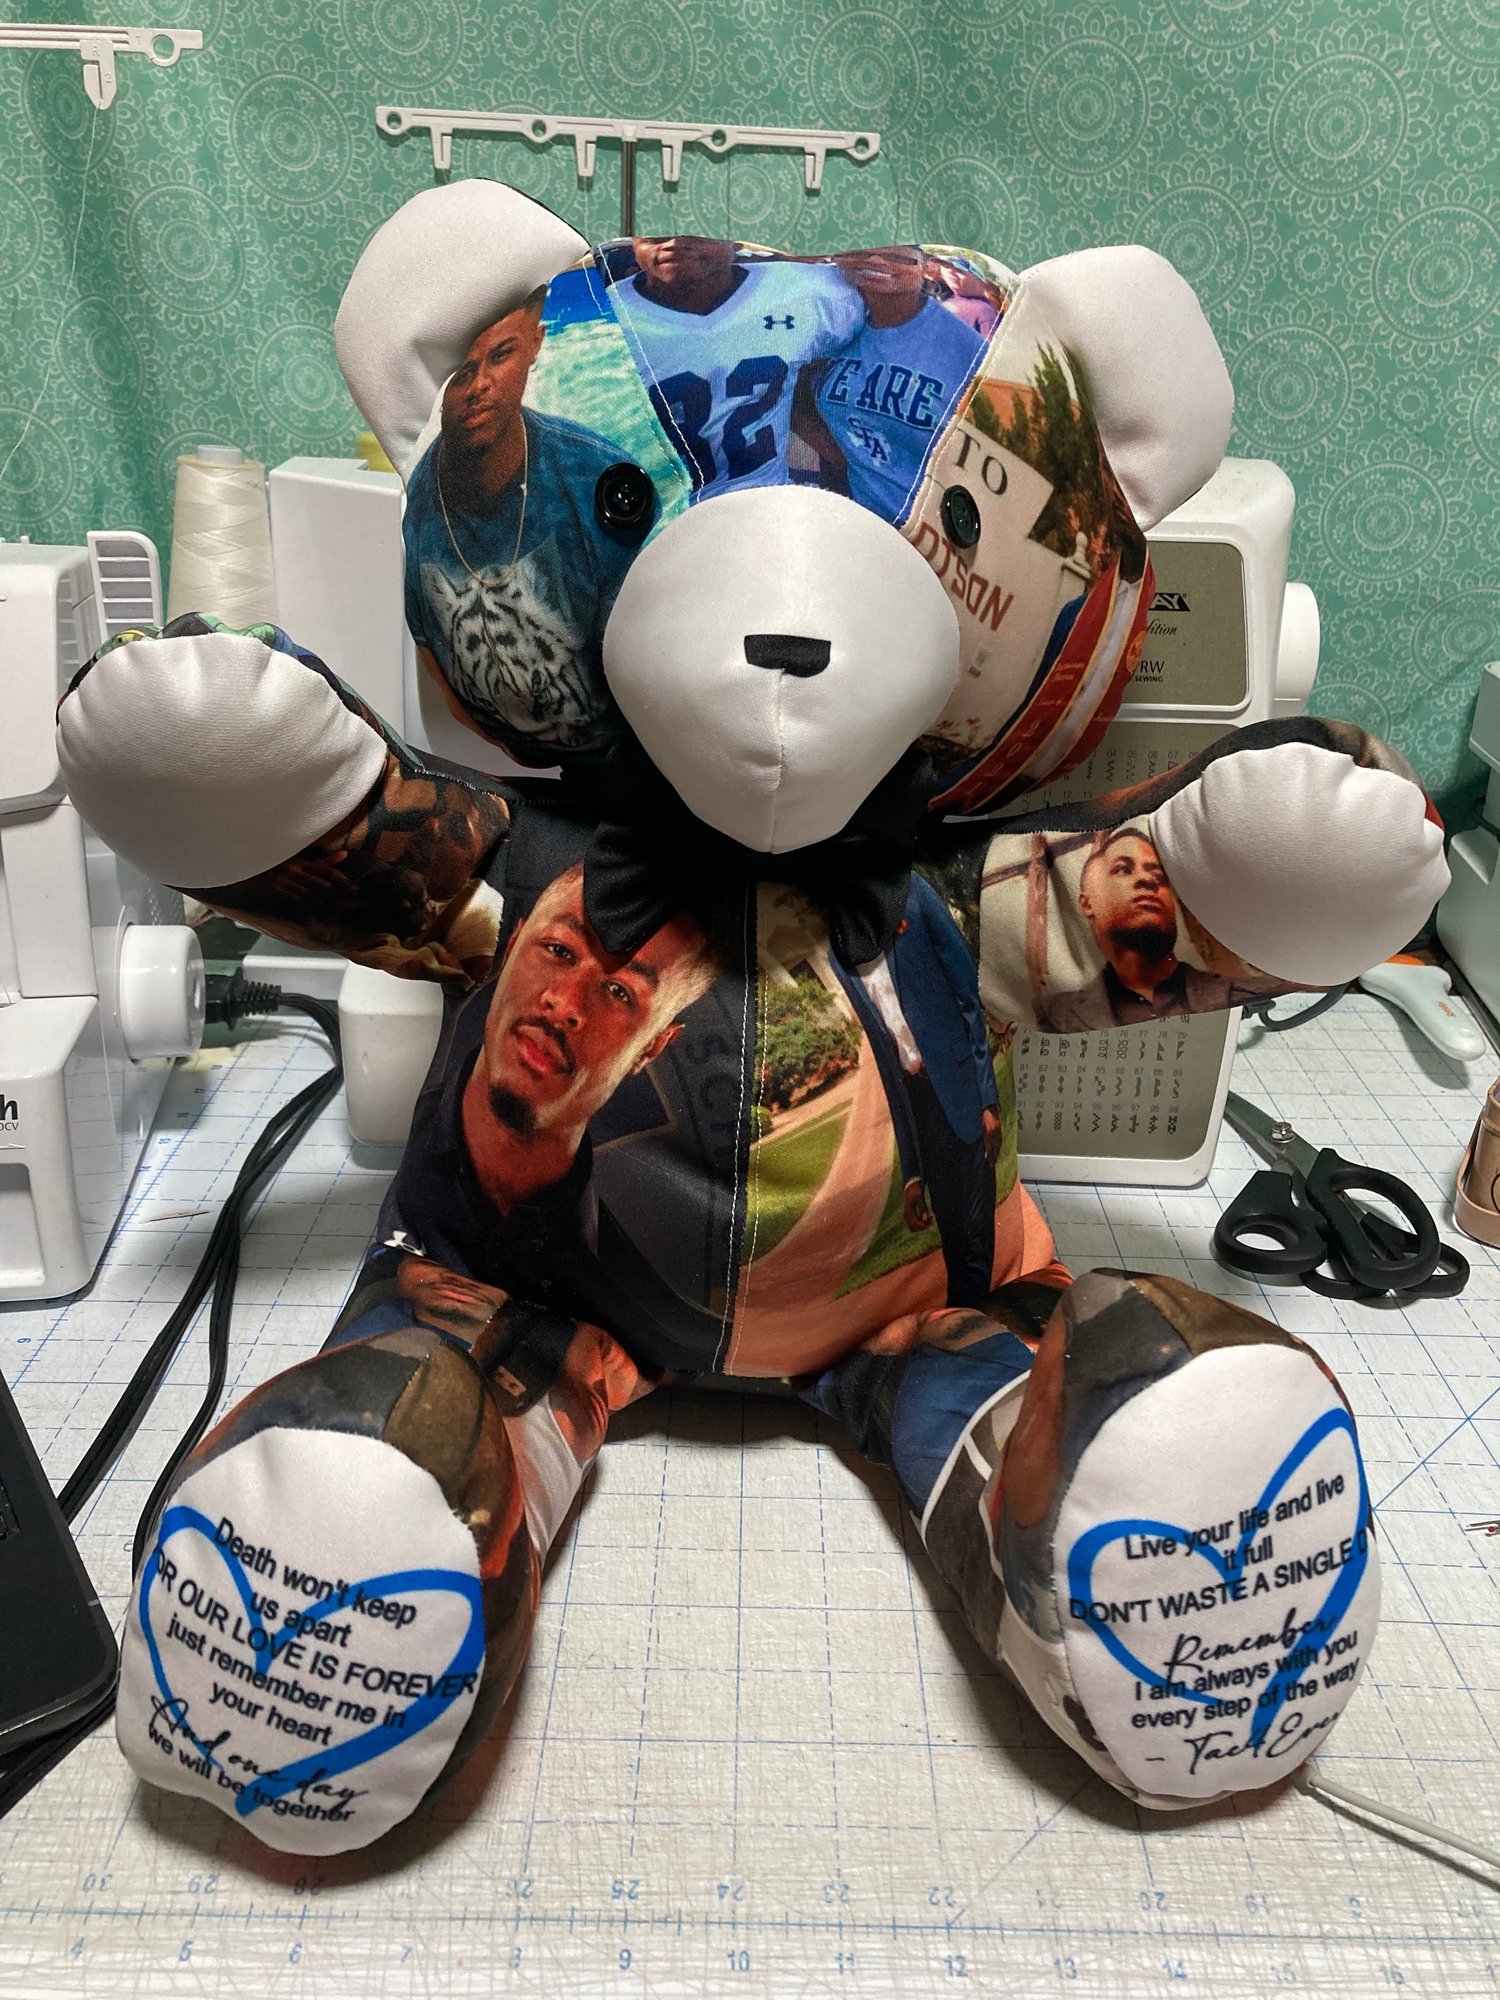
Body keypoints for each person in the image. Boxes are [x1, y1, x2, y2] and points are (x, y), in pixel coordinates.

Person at [370, 863, 722, 1336]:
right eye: (559, 950)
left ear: (652, 1046)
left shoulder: (639, 1290)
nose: (566, 1004)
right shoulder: (412, 1209)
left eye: (618, 991)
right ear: (512, 945)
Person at [402, 289, 638, 766]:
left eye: (501, 356)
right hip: (501, 760)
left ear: (535, 344)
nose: (479, 386)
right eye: (460, 370)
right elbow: (429, 644)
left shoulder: (590, 475)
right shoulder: (422, 503)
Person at [832, 874, 1002, 1307]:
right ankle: (963, 1323)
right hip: (920, 1109)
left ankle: (967, 1324)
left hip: (963, 1091)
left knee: (976, 1234)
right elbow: (890, 1069)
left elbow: (968, 997)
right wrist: (912, 1172)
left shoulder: (911, 893)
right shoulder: (837, 946)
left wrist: (988, 1099)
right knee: (954, 1241)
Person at [609, 236, 864, 496]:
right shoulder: (599, 323)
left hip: (766, 500)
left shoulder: (812, 291)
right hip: (660, 513)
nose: (674, 240)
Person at [793, 247, 992, 523]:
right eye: (863, 243)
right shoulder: (831, 329)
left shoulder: (972, 353)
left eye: (897, 245)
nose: (876, 257)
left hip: (943, 535)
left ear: (926, 262)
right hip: (866, 528)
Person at [1041, 828, 1242, 1031]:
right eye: (1123, 869)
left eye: (1159, 876)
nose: (1147, 879)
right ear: (1087, 903)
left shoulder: (1243, 990)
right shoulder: (1057, 1013)